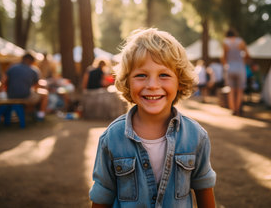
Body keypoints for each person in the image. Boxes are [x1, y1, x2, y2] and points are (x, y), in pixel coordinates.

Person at [89, 28, 216, 208]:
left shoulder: (196, 137)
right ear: (127, 81)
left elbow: (204, 190)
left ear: (179, 81)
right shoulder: (112, 138)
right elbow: (102, 195)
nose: (152, 85)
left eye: (164, 75)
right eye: (141, 75)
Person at [5, 53, 48, 120]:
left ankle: (27, 113)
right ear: (31, 61)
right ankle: (40, 116)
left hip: (10, 96)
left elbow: (4, 81)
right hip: (25, 96)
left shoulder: (12, 67)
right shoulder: (33, 70)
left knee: (32, 94)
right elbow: (37, 86)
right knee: (44, 94)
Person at [222, 28, 250, 115]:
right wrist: (243, 62)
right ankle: (238, 109)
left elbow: (223, 57)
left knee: (231, 90)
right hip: (240, 68)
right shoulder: (240, 41)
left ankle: (233, 109)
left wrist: (226, 65)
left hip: (230, 68)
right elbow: (247, 54)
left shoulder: (225, 42)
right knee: (240, 90)